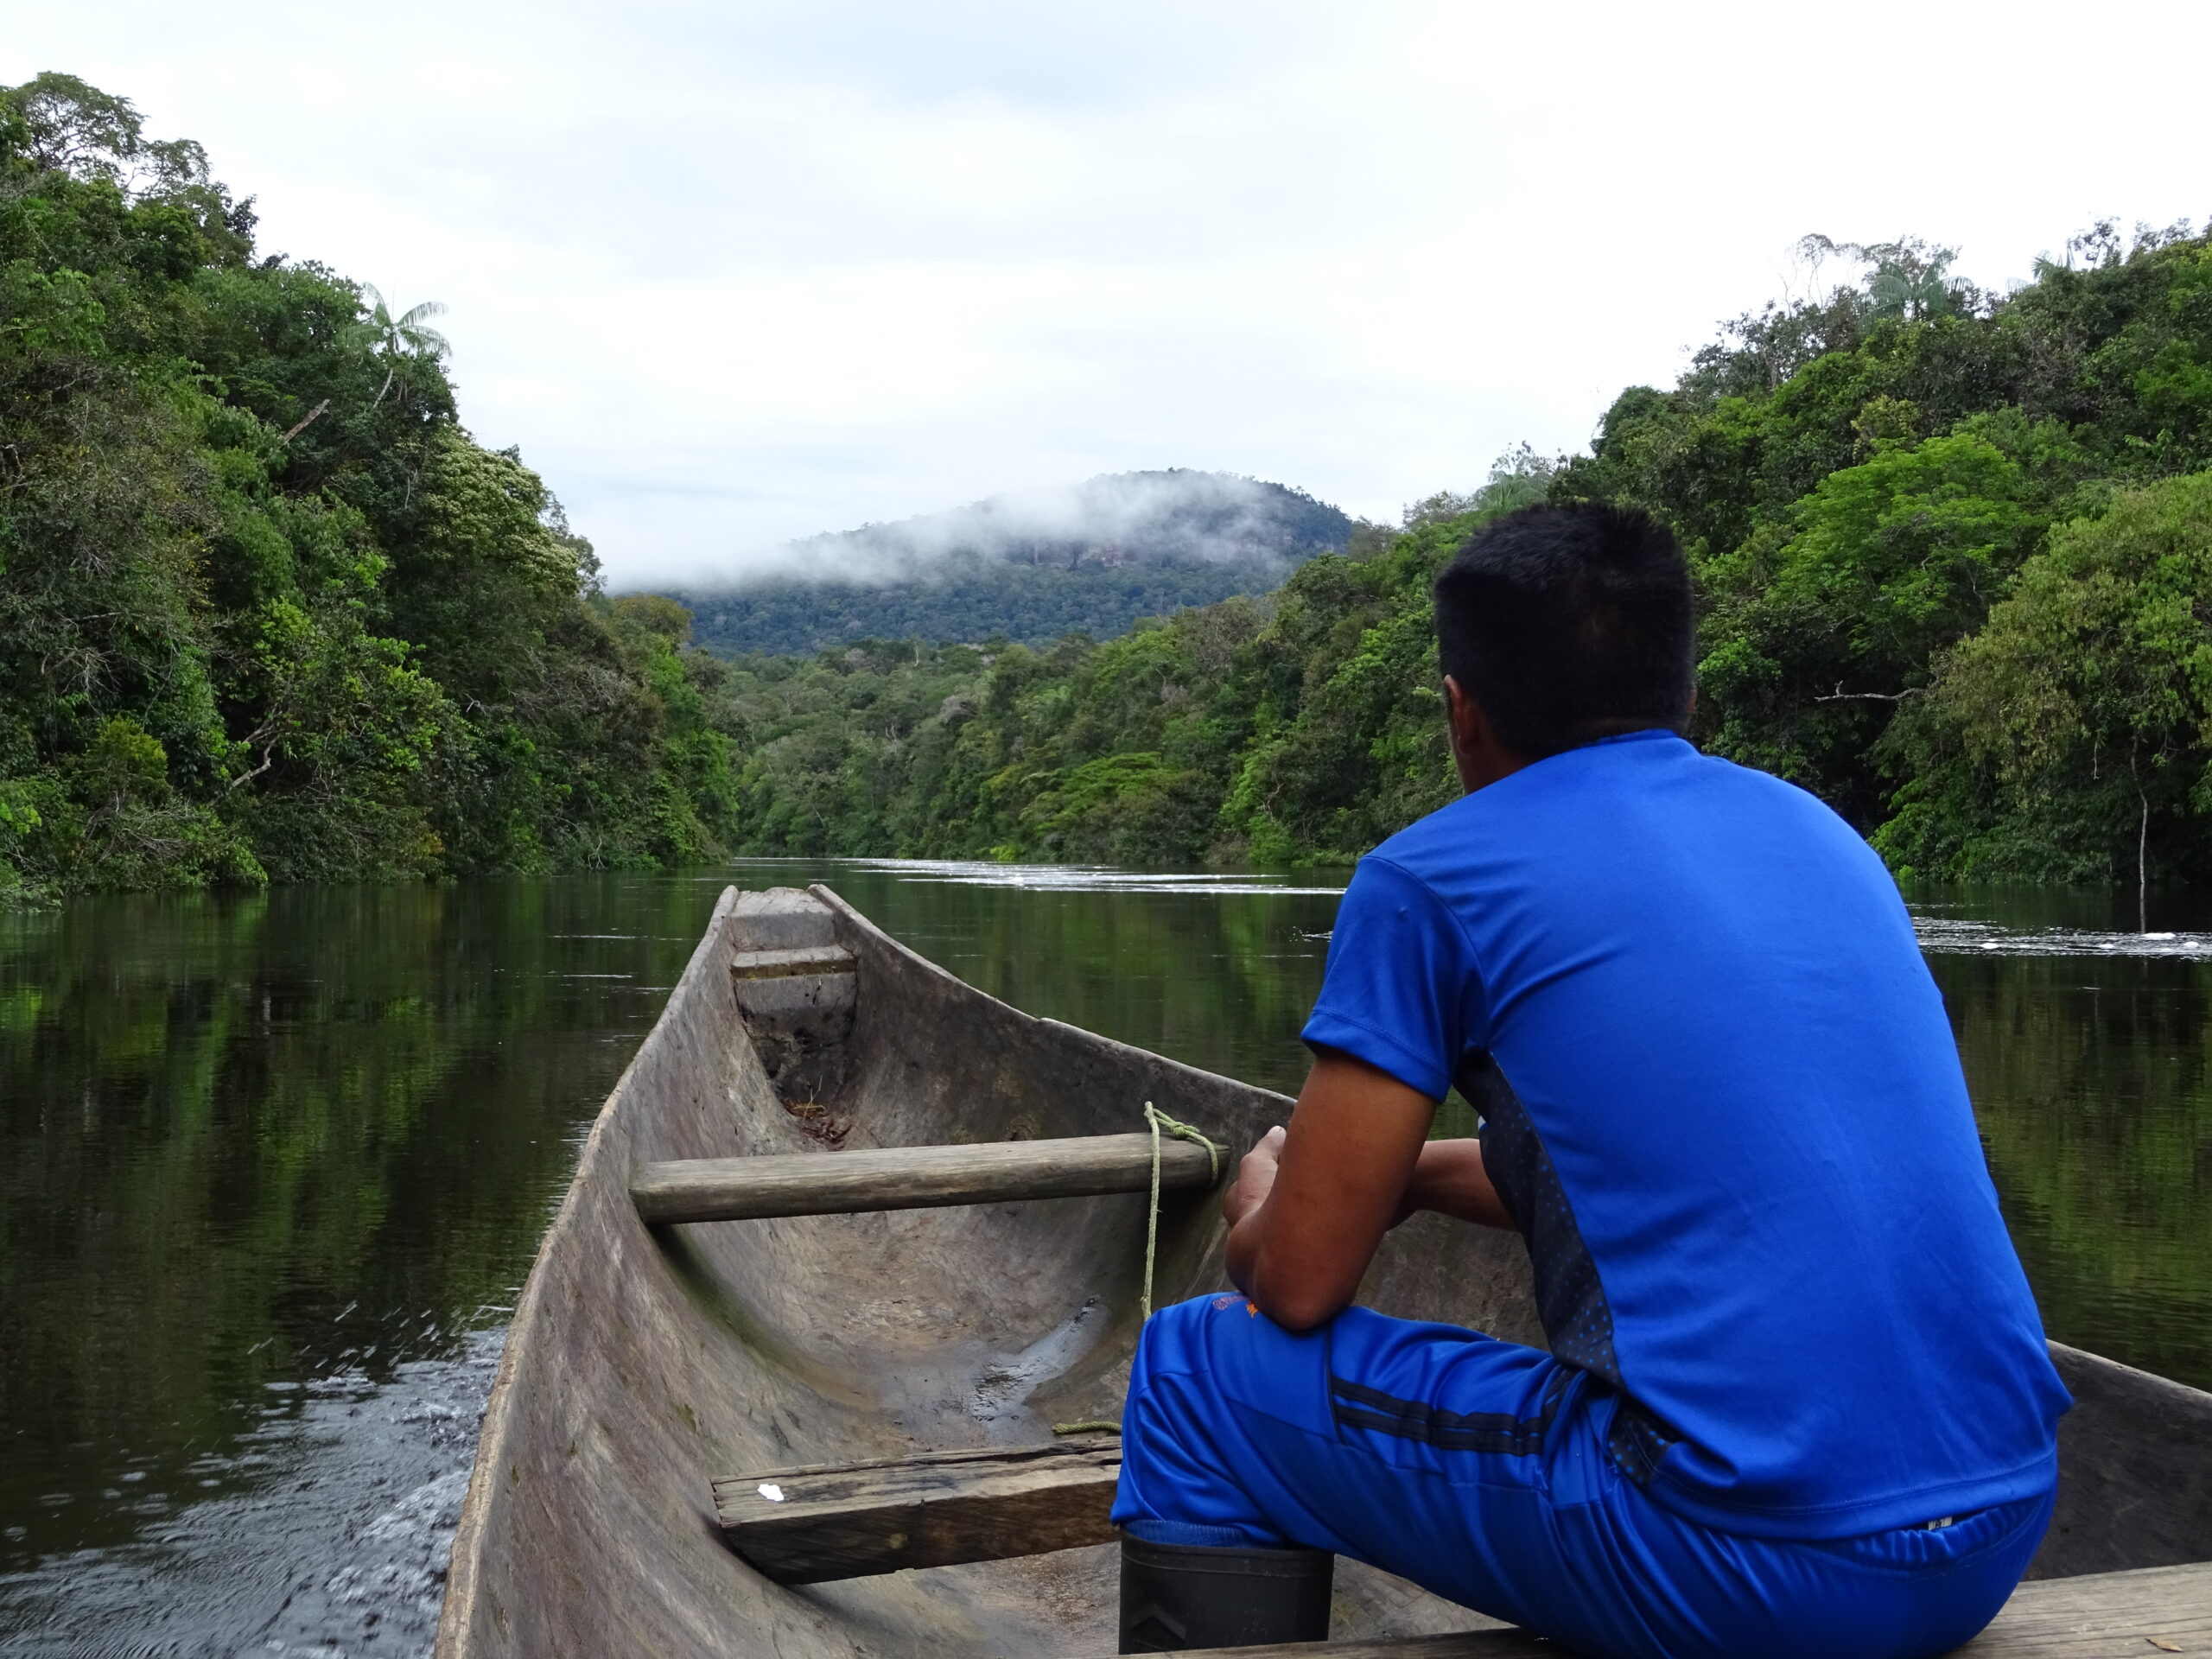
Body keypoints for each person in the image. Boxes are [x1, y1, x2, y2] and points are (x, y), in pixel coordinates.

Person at [1109, 503, 2070, 1658]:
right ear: (1688, 702)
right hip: (2000, 1520)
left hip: (1749, 1559)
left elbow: (1301, 1286)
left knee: (1194, 1372)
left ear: (1462, 716)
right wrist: (1405, 1178)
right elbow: (1686, 1171)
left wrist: (1263, 1200)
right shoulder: (1821, 835)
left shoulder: (1429, 879)